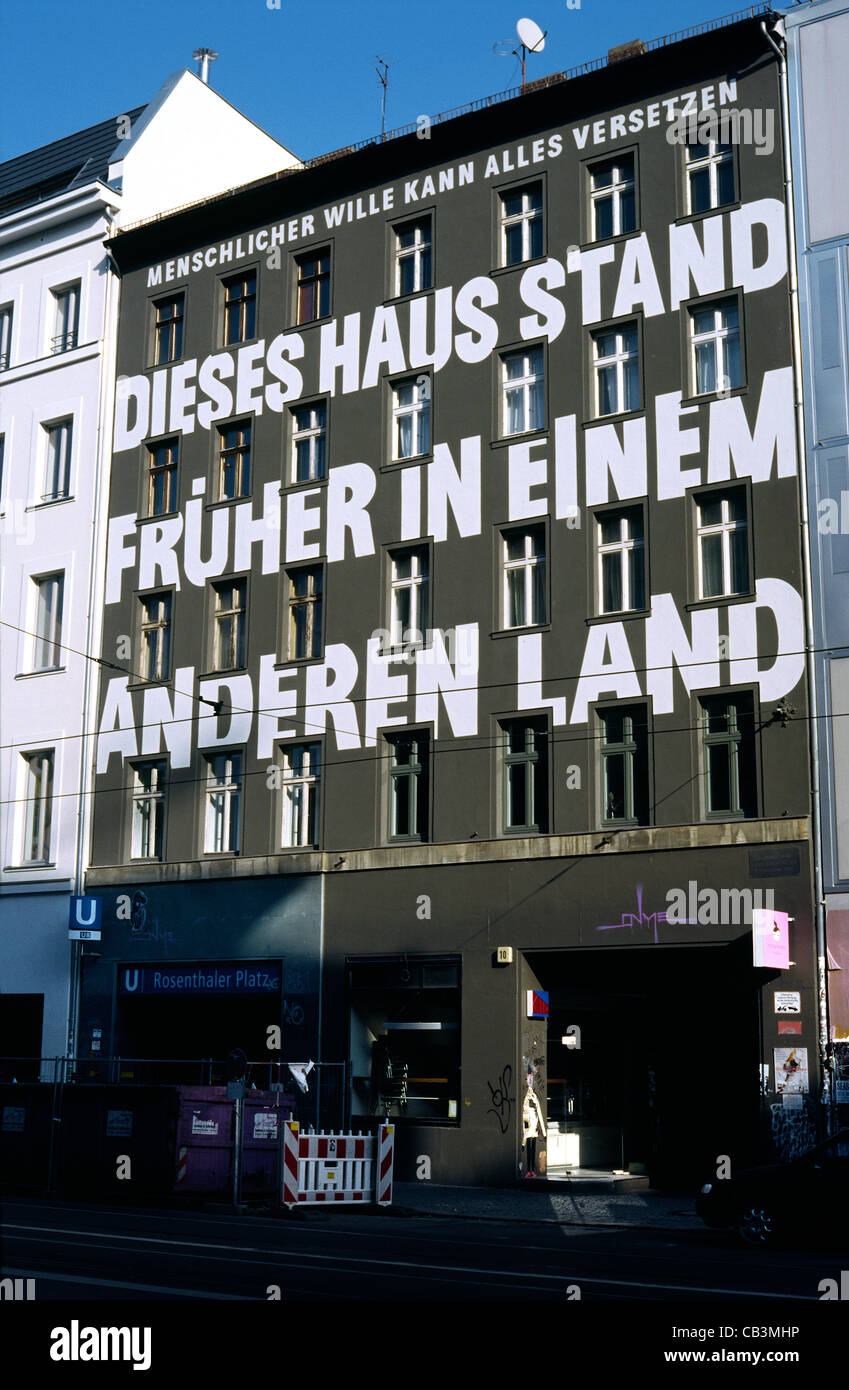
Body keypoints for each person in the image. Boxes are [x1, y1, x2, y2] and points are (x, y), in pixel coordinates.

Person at [521, 1078, 546, 1177]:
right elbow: (525, 1124)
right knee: (529, 1151)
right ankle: (529, 1170)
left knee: (532, 1151)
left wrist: (544, 1133)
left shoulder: (534, 1100)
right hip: (529, 1132)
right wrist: (523, 1142)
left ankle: (531, 1170)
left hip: (533, 1131)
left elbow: (539, 1116)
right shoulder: (526, 1104)